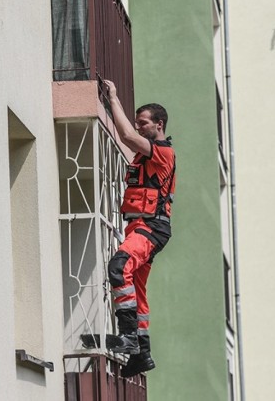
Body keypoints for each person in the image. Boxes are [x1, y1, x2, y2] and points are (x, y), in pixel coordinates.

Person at [102, 79, 176, 378]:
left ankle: (129, 337)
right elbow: (129, 134)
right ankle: (142, 354)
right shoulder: (147, 155)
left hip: (150, 227)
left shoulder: (161, 152)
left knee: (119, 268)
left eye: (143, 123)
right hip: (141, 226)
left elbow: (125, 134)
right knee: (137, 290)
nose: (138, 126)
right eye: (138, 122)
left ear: (158, 125)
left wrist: (113, 98)